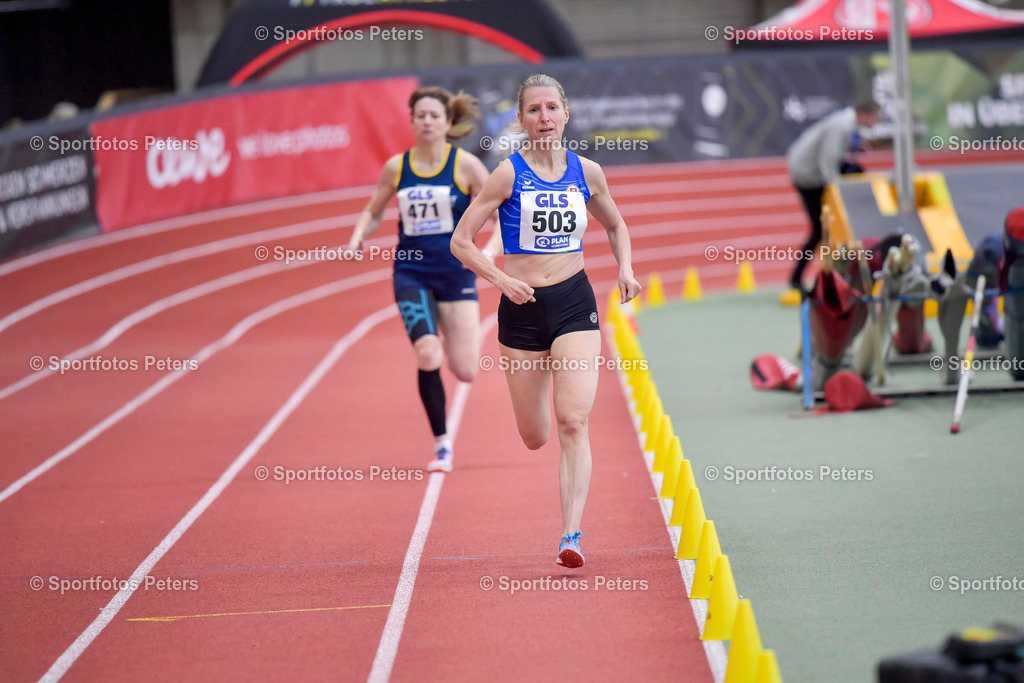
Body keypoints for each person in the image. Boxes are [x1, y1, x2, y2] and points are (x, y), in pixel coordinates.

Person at [450, 74, 642, 568]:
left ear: (566, 114)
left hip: (575, 304)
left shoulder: (587, 172)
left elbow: (616, 224)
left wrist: (625, 268)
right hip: (522, 310)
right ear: (521, 119)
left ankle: (571, 536)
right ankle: (566, 519)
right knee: (535, 434)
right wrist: (501, 280)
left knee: (573, 421)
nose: (543, 118)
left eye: (551, 108)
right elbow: (461, 240)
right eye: (533, 110)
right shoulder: (507, 175)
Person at [347, 86, 501, 473]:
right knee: (428, 352)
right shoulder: (397, 167)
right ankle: (442, 444)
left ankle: (446, 326)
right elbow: (374, 210)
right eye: (421, 116)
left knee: (466, 369)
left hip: (455, 273)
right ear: (412, 121)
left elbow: (501, 215)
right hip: (411, 271)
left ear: (449, 123)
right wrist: (358, 235)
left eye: (435, 116)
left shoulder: (465, 166)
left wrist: (490, 254)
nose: (428, 122)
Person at [784, 100, 881, 299]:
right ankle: (799, 279)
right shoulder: (841, 126)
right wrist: (839, 193)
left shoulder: (845, 124)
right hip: (809, 177)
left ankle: (816, 277)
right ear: (866, 114)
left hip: (811, 172)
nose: (876, 123)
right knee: (821, 230)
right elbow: (828, 162)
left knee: (824, 228)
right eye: (875, 118)